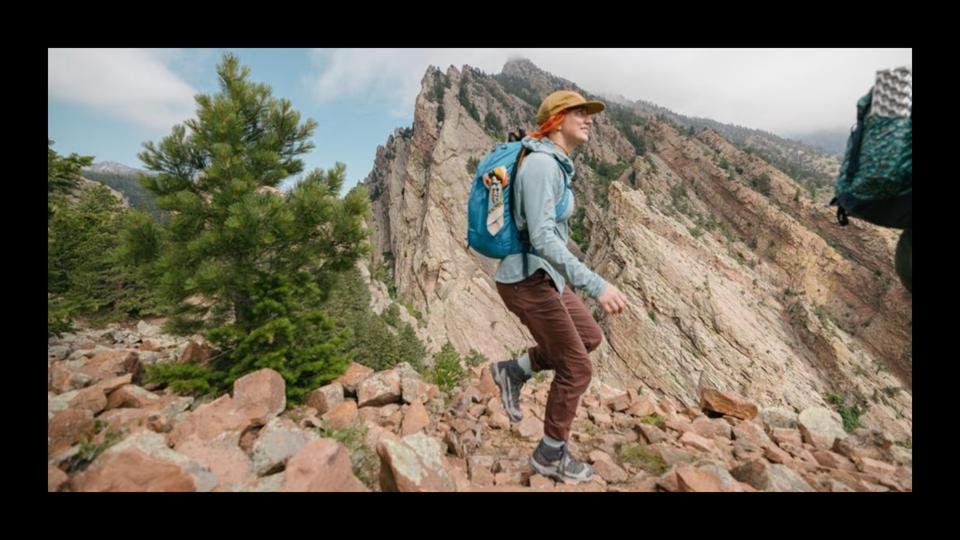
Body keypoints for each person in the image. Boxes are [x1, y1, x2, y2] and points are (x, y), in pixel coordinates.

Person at [489, 90, 629, 484]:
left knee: (589, 336)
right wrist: (596, 284)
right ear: (556, 120)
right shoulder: (541, 167)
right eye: (579, 113)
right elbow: (545, 238)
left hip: (547, 276)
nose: (589, 120)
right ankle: (550, 455)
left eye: (589, 114)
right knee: (576, 367)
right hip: (526, 280)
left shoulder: (557, 165)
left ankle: (512, 372)